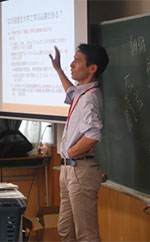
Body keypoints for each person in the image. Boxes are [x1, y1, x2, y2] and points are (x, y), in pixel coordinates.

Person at [49, 44, 109, 242]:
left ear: (92, 68)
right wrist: (58, 70)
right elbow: (70, 92)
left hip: (80, 171)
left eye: (77, 60)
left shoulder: (90, 97)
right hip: (69, 170)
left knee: (86, 235)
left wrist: (73, 151)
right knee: (66, 230)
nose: (71, 65)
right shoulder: (81, 93)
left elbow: (94, 134)